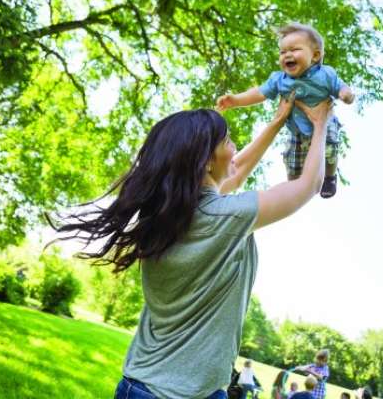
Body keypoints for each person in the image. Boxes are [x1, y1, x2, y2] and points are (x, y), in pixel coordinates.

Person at [50, 92, 333, 399]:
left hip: (140, 384)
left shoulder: (165, 216)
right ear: (206, 162)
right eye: (227, 142)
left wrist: (278, 122)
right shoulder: (225, 217)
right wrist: (321, 124)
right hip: (184, 393)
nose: (234, 147)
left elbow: (233, 171)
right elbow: (309, 184)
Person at [216, 22, 355, 199]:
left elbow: (339, 86)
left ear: (315, 55)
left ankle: (330, 177)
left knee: (330, 150)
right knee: (292, 163)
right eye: (283, 52)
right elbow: (259, 93)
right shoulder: (279, 79)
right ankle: (295, 184)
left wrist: (346, 94)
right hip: (296, 131)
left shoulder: (325, 74)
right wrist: (236, 100)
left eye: (294, 50)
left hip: (325, 125)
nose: (287, 55)